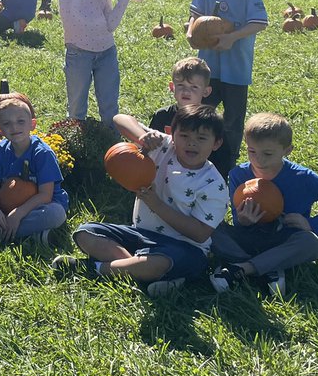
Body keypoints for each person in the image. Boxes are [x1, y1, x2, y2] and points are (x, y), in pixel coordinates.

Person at [53, 104, 228, 297]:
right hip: (140, 235)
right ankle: (143, 273)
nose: (191, 143)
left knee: (160, 262)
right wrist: (141, 136)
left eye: (201, 138)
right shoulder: (164, 146)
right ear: (173, 133)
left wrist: (157, 205)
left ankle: (93, 268)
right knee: (85, 233)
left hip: (185, 249)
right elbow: (120, 119)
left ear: (216, 143)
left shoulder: (213, 184)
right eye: (184, 136)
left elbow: (200, 234)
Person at [210, 113, 318, 299]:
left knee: (310, 243)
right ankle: (270, 268)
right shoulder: (238, 175)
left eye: (268, 154)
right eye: (251, 151)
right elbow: (239, 222)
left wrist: (311, 225)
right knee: (209, 229)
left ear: (287, 150)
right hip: (248, 238)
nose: (258, 160)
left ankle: (241, 268)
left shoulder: (303, 177)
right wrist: (243, 221)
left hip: (285, 239)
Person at [187, 0, 268, 167]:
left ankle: (228, 158)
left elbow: (259, 22)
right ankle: (201, 152)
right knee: (203, 111)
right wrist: (191, 32)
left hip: (236, 67)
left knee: (233, 118)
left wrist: (232, 37)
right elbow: (195, 14)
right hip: (209, 66)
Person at [0, 97, 66, 244]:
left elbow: (45, 195)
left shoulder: (42, 153)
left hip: (41, 205)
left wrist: (18, 214)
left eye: (20, 121)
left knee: (56, 215)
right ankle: (31, 236)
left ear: (32, 124)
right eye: (7, 124)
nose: (14, 127)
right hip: (6, 205)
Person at [58, 0, 142, 128]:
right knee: (76, 108)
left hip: (106, 53)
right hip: (78, 54)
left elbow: (111, 25)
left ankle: (112, 141)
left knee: (109, 105)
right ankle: (76, 143)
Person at [148, 57, 234, 178]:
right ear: (172, 87)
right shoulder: (162, 115)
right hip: (164, 174)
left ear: (206, 91)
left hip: (200, 179)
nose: (186, 91)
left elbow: (223, 159)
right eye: (181, 85)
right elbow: (151, 149)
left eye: (194, 87)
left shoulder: (211, 121)